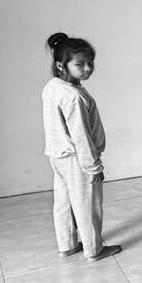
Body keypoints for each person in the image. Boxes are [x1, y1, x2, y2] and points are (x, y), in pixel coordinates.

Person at [41, 32, 120, 261]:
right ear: (60, 65)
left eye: (90, 63)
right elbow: (81, 136)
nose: (87, 69)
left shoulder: (52, 87)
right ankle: (94, 250)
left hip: (58, 156)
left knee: (64, 202)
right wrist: (93, 167)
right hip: (77, 158)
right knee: (87, 203)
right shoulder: (73, 96)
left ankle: (66, 245)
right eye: (80, 64)